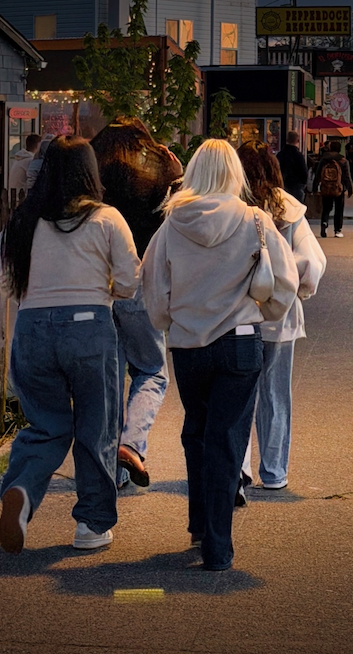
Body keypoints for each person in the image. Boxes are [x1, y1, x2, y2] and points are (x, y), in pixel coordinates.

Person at [141, 139, 298, 572]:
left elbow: (152, 287)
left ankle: (199, 525)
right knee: (227, 439)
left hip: (189, 345)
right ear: (233, 174)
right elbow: (284, 283)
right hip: (241, 340)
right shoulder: (255, 220)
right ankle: (217, 544)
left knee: (197, 431)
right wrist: (265, 313)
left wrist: (169, 322)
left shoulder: (172, 224)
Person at [0, 137, 140, 555]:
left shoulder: (23, 219)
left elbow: (0, 278)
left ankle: (20, 490)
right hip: (89, 328)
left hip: (33, 328)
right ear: (90, 172)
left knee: (47, 426)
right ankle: (92, 525)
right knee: (97, 427)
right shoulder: (107, 219)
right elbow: (130, 282)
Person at [91, 117, 183, 489]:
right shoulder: (159, 172)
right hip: (141, 280)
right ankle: (131, 444)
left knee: (109, 377)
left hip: (96, 285)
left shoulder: (93, 169)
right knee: (151, 370)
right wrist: (176, 172)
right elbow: (178, 214)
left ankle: (110, 471)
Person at [237, 141, 326, 491]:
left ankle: (238, 470)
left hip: (238, 316)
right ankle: (274, 472)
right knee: (275, 396)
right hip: (280, 317)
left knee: (238, 395)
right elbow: (313, 262)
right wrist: (293, 289)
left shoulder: (233, 205)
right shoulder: (288, 209)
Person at [312, 139, 353, 238]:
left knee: (326, 208)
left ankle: (324, 223)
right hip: (339, 187)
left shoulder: (324, 159)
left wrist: (315, 187)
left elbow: (317, 174)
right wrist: (350, 188)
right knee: (339, 209)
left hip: (326, 187)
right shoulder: (343, 160)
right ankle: (337, 230)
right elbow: (347, 176)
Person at [277, 130, 309, 203]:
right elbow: (303, 171)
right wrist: (304, 183)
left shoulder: (280, 154)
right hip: (296, 185)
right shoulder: (298, 155)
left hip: (283, 184)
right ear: (297, 141)